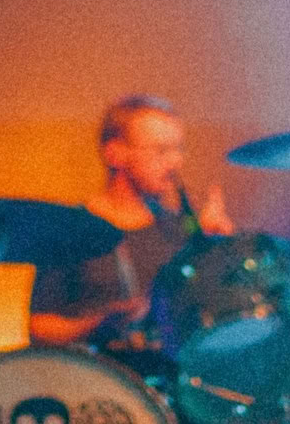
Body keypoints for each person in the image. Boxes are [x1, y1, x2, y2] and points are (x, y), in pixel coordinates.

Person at [27, 94, 234, 349]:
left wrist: (217, 250)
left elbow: (210, 317)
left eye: (178, 149)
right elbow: (39, 328)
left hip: (168, 381)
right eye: (161, 150)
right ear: (115, 154)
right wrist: (100, 323)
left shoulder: (182, 229)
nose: (175, 162)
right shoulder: (69, 230)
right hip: (96, 379)